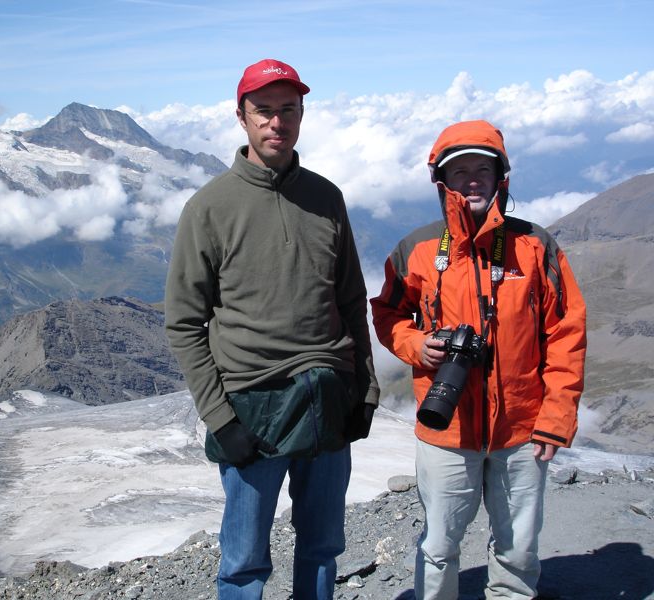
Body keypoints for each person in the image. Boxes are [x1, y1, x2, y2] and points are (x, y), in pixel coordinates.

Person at [164, 58, 380, 599]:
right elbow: (185, 322)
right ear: (241, 117)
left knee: (324, 545)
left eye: (288, 110)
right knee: (242, 560)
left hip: (328, 394)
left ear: (302, 115)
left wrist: (365, 390)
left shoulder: (326, 197)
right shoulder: (208, 209)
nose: (276, 123)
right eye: (263, 111)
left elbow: (352, 299)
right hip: (251, 407)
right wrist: (220, 418)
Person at [370, 119, 587, 600]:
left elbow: (566, 333)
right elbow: (387, 313)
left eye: (482, 170)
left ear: (499, 178)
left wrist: (555, 419)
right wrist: (414, 346)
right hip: (446, 427)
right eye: (460, 170)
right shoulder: (417, 250)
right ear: (442, 182)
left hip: (522, 429)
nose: (471, 179)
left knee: (518, 550)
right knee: (440, 546)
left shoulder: (536, 246)